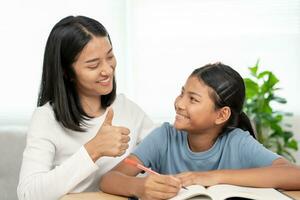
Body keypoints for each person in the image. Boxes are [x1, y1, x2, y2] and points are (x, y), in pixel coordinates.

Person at [100, 63, 300, 200]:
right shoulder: (164, 137)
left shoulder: (237, 142)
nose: (179, 103)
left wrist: (213, 176)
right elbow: (110, 179)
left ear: (221, 115)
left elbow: (294, 175)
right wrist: (140, 188)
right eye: (181, 93)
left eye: (193, 99)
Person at [17, 16, 156, 200]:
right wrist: (93, 150)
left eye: (110, 56)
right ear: (67, 72)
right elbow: (28, 194)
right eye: (93, 65)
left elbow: (164, 150)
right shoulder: (46, 118)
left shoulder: (125, 107)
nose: (107, 70)